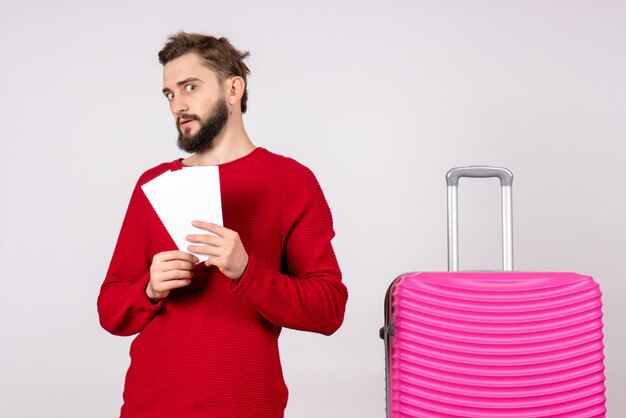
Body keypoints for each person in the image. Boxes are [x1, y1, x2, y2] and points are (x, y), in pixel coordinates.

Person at [97, 32, 348, 418]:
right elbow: (111, 310)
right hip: (150, 406)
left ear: (233, 89)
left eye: (190, 87)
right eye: (169, 94)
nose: (178, 105)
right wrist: (149, 288)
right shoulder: (153, 184)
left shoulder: (290, 181)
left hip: (246, 406)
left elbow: (328, 309)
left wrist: (247, 271)